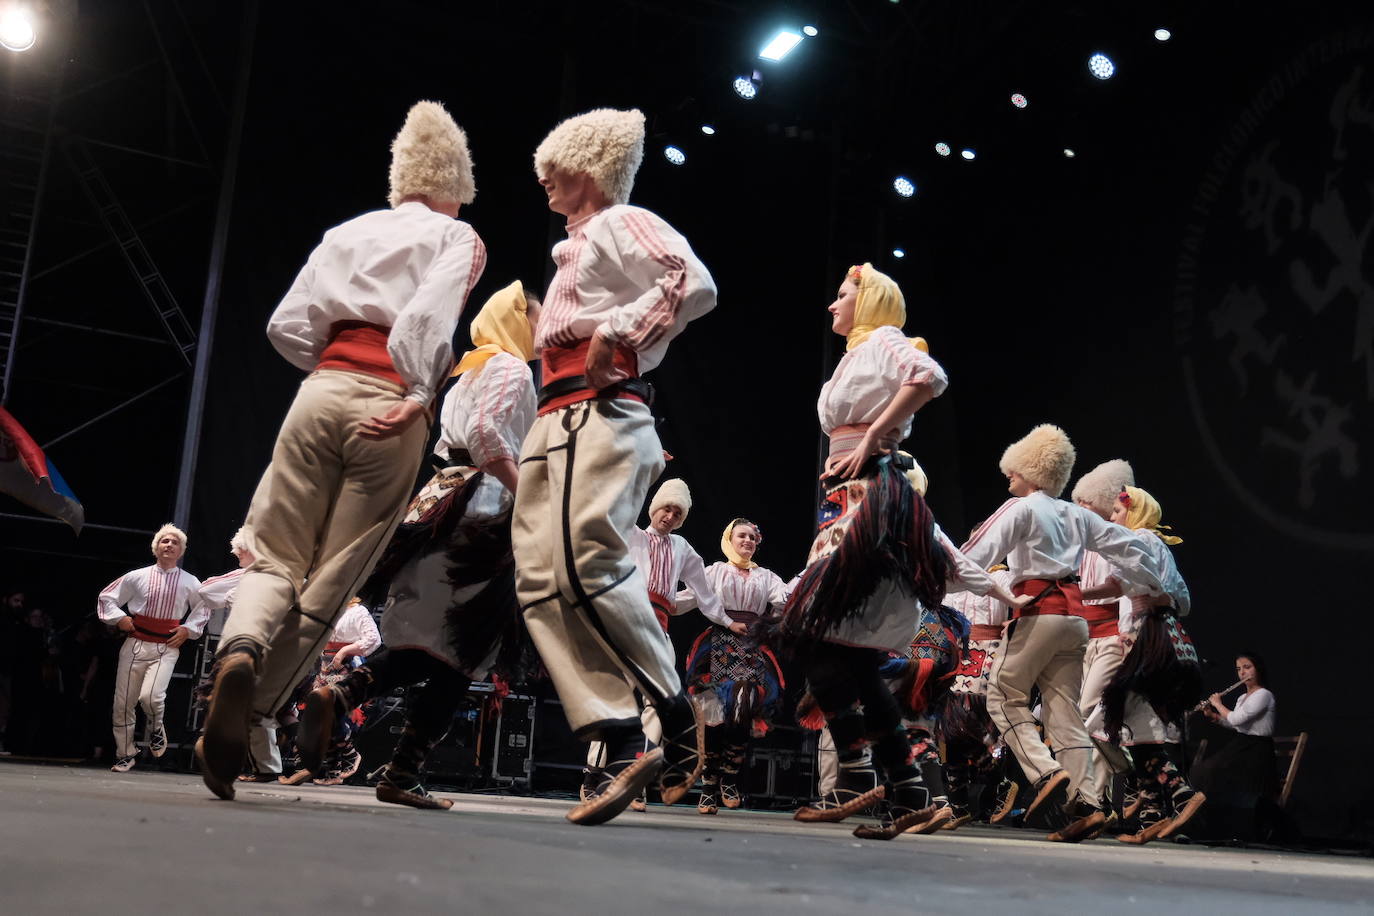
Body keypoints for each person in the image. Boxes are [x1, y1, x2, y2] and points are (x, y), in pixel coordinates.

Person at [197, 100, 486, 800]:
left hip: (320, 387)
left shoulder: (346, 230)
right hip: (391, 400)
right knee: (335, 573)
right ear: (456, 184)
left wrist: (331, 367)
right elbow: (427, 318)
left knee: (275, 552)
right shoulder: (460, 238)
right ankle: (257, 705)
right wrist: (418, 391)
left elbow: (285, 325)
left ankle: (237, 651)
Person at [512, 107, 717, 826]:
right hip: (555, 414)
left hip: (596, 410)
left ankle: (660, 708)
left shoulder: (616, 221)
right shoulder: (577, 243)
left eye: (555, 164)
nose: (542, 177)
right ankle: (620, 729)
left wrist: (619, 334)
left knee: (584, 562)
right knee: (539, 579)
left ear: (590, 169)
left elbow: (692, 281)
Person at [779, 263, 1029, 841]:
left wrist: (869, 439)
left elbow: (929, 377)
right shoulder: (858, 352)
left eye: (842, 296)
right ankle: (908, 790)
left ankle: (861, 772)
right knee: (858, 664)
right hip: (851, 500)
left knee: (811, 635)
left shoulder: (885, 343)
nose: (832, 306)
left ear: (869, 303)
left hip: (869, 501)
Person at [300, 280, 539, 809]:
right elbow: (487, 434)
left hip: (442, 497)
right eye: (537, 320)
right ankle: (401, 771)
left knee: (426, 644)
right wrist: (530, 497)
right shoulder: (511, 367)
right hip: (481, 510)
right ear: (517, 322)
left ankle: (342, 695)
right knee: (464, 649)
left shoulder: (470, 369)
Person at [961, 425, 1167, 842]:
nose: (1008, 477)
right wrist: (1154, 586)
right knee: (1064, 712)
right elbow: (1128, 546)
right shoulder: (1077, 515)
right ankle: (1090, 802)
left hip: (1039, 612)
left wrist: (935, 579)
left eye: (1014, 470)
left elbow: (973, 555)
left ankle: (1045, 772)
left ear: (1032, 470)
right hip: (1076, 622)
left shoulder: (1020, 508)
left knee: (1002, 694)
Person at [580, 478, 724, 810]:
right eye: (667, 508)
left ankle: (633, 777)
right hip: (625, 621)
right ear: (654, 507)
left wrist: (725, 620)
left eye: (677, 513)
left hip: (658, 630)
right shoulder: (631, 534)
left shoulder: (682, 548)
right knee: (617, 701)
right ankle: (592, 777)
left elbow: (703, 590)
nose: (670, 516)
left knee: (657, 704)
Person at [1089, 485, 1202, 843]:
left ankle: (1181, 792)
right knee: (1138, 725)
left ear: (1134, 513)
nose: (1112, 517)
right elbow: (1181, 599)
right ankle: (1152, 813)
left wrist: (1073, 592)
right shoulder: (1157, 545)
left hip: (1148, 637)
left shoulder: (1140, 539)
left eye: (1118, 512)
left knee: (1113, 716)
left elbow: (1121, 586)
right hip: (1163, 635)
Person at [679, 517, 788, 815]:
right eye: (742, 536)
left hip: (751, 647)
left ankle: (728, 775)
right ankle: (709, 785)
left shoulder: (766, 577)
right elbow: (689, 598)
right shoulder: (714, 571)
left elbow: (783, 601)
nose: (748, 541)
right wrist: (656, 600)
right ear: (729, 538)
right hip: (716, 646)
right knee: (713, 716)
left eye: (752, 538)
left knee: (743, 707)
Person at [97, 524, 208, 772]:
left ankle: (156, 726)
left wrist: (187, 630)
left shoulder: (190, 581)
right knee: (123, 702)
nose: (169, 545)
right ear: (156, 547)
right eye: (164, 541)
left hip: (165, 647)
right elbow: (107, 597)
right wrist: (120, 618)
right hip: (135, 643)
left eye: (174, 542)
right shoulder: (137, 576)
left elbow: (203, 608)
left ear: (181, 551)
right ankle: (125, 753)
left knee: (151, 696)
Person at [198, 529, 283, 782]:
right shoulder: (270, 576)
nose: (237, 555)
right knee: (251, 705)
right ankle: (263, 766)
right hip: (256, 647)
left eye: (240, 551)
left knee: (242, 703)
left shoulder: (255, 577)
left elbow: (206, 590)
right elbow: (207, 592)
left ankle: (226, 755)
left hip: (250, 647)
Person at [1194, 652, 1279, 800]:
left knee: (1212, 773)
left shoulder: (1264, 695)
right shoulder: (1241, 698)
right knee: (1201, 771)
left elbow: (1237, 719)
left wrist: (1218, 704)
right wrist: (1213, 715)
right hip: (1242, 745)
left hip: (1257, 751)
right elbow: (1237, 726)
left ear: (1258, 669)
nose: (1242, 672)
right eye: (1239, 669)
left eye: (1247, 667)